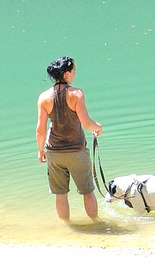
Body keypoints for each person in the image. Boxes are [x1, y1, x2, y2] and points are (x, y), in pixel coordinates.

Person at [36, 55, 103, 220]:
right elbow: (87, 123)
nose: (74, 75)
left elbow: (40, 130)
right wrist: (98, 127)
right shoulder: (76, 94)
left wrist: (40, 150)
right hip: (76, 151)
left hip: (54, 152)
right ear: (66, 74)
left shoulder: (43, 97)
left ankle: (66, 228)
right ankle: (95, 223)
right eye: (73, 72)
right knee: (87, 191)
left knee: (60, 194)